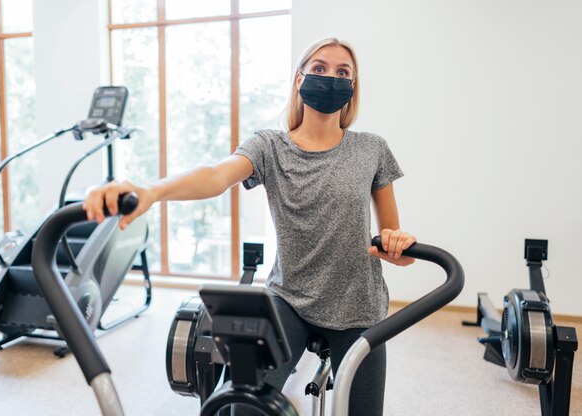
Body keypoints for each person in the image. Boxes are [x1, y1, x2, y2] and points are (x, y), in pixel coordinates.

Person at [83, 37, 416, 416]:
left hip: (358, 305)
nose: (330, 78)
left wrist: (397, 242)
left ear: (352, 87)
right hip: (289, 297)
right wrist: (151, 191)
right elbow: (214, 176)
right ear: (299, 79)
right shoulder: (269, 146)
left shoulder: (371, 149)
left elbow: (396, 251)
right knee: (242, 405)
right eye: (320, 68)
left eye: (343, 73)